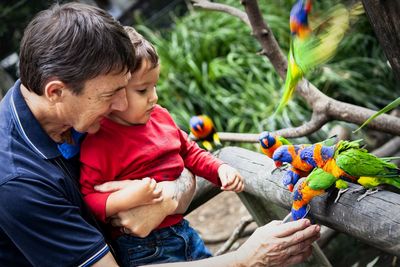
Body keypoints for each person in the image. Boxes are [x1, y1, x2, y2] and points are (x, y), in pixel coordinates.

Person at [0, 2, 320, 267]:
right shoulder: (18, 184)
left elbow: (178, 159)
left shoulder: (79, 111)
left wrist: (165, 199)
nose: (123, 104)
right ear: (56, 91)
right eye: (110, 95)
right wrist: (244, 260)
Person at [79, 26, 244, 266]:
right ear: (115, 92)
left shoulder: (160, 116)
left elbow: (189, 152)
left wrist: (219, 170)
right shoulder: (99, 143)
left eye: (154, 86)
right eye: (142, 90)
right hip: (142, 247)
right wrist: (127, 199)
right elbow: (89, 199)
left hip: (182, 230)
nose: (154, 96)